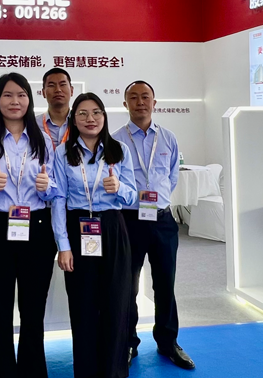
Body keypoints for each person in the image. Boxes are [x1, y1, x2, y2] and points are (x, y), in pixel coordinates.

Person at [0, 72, 59, 378]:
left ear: (29, 100)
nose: (15, 101)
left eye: (21, 95)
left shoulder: (43, 139)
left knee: (33, 309)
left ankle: (33, 372)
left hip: (37, 226)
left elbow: (54, 188)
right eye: (8, 95)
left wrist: (47, 186)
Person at [52, 93, 136, 378]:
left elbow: (133, 197)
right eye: (83, 113)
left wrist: (119, 188)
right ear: (74, 119)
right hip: (79, 229)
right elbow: (58, 200)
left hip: (112, 228)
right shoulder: (62, 153)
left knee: (116, 303)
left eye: (97, 112)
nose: (91, 119)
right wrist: (63, 245)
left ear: (104, 116)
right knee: (83, 306)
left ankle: (114, 372)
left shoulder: (119, 150)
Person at [113, 81, 194, 370]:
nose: (140, 102)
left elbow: (172, 177)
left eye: (145, 97)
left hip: (162, 220)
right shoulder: (116, 140)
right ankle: (128, 343)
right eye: (133, 98)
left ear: (154, 102)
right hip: (129, 221)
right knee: (127, 286)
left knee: (165, 283)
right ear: (125, 104)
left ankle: (168, 342)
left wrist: (157, 203)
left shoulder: (168, 138)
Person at [38, 68, 73, 149]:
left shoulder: (81, 123)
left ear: (71, 90)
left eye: (62, 84)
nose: (58, 90)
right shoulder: (33, 125)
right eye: (51, 85)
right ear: (43, 93)